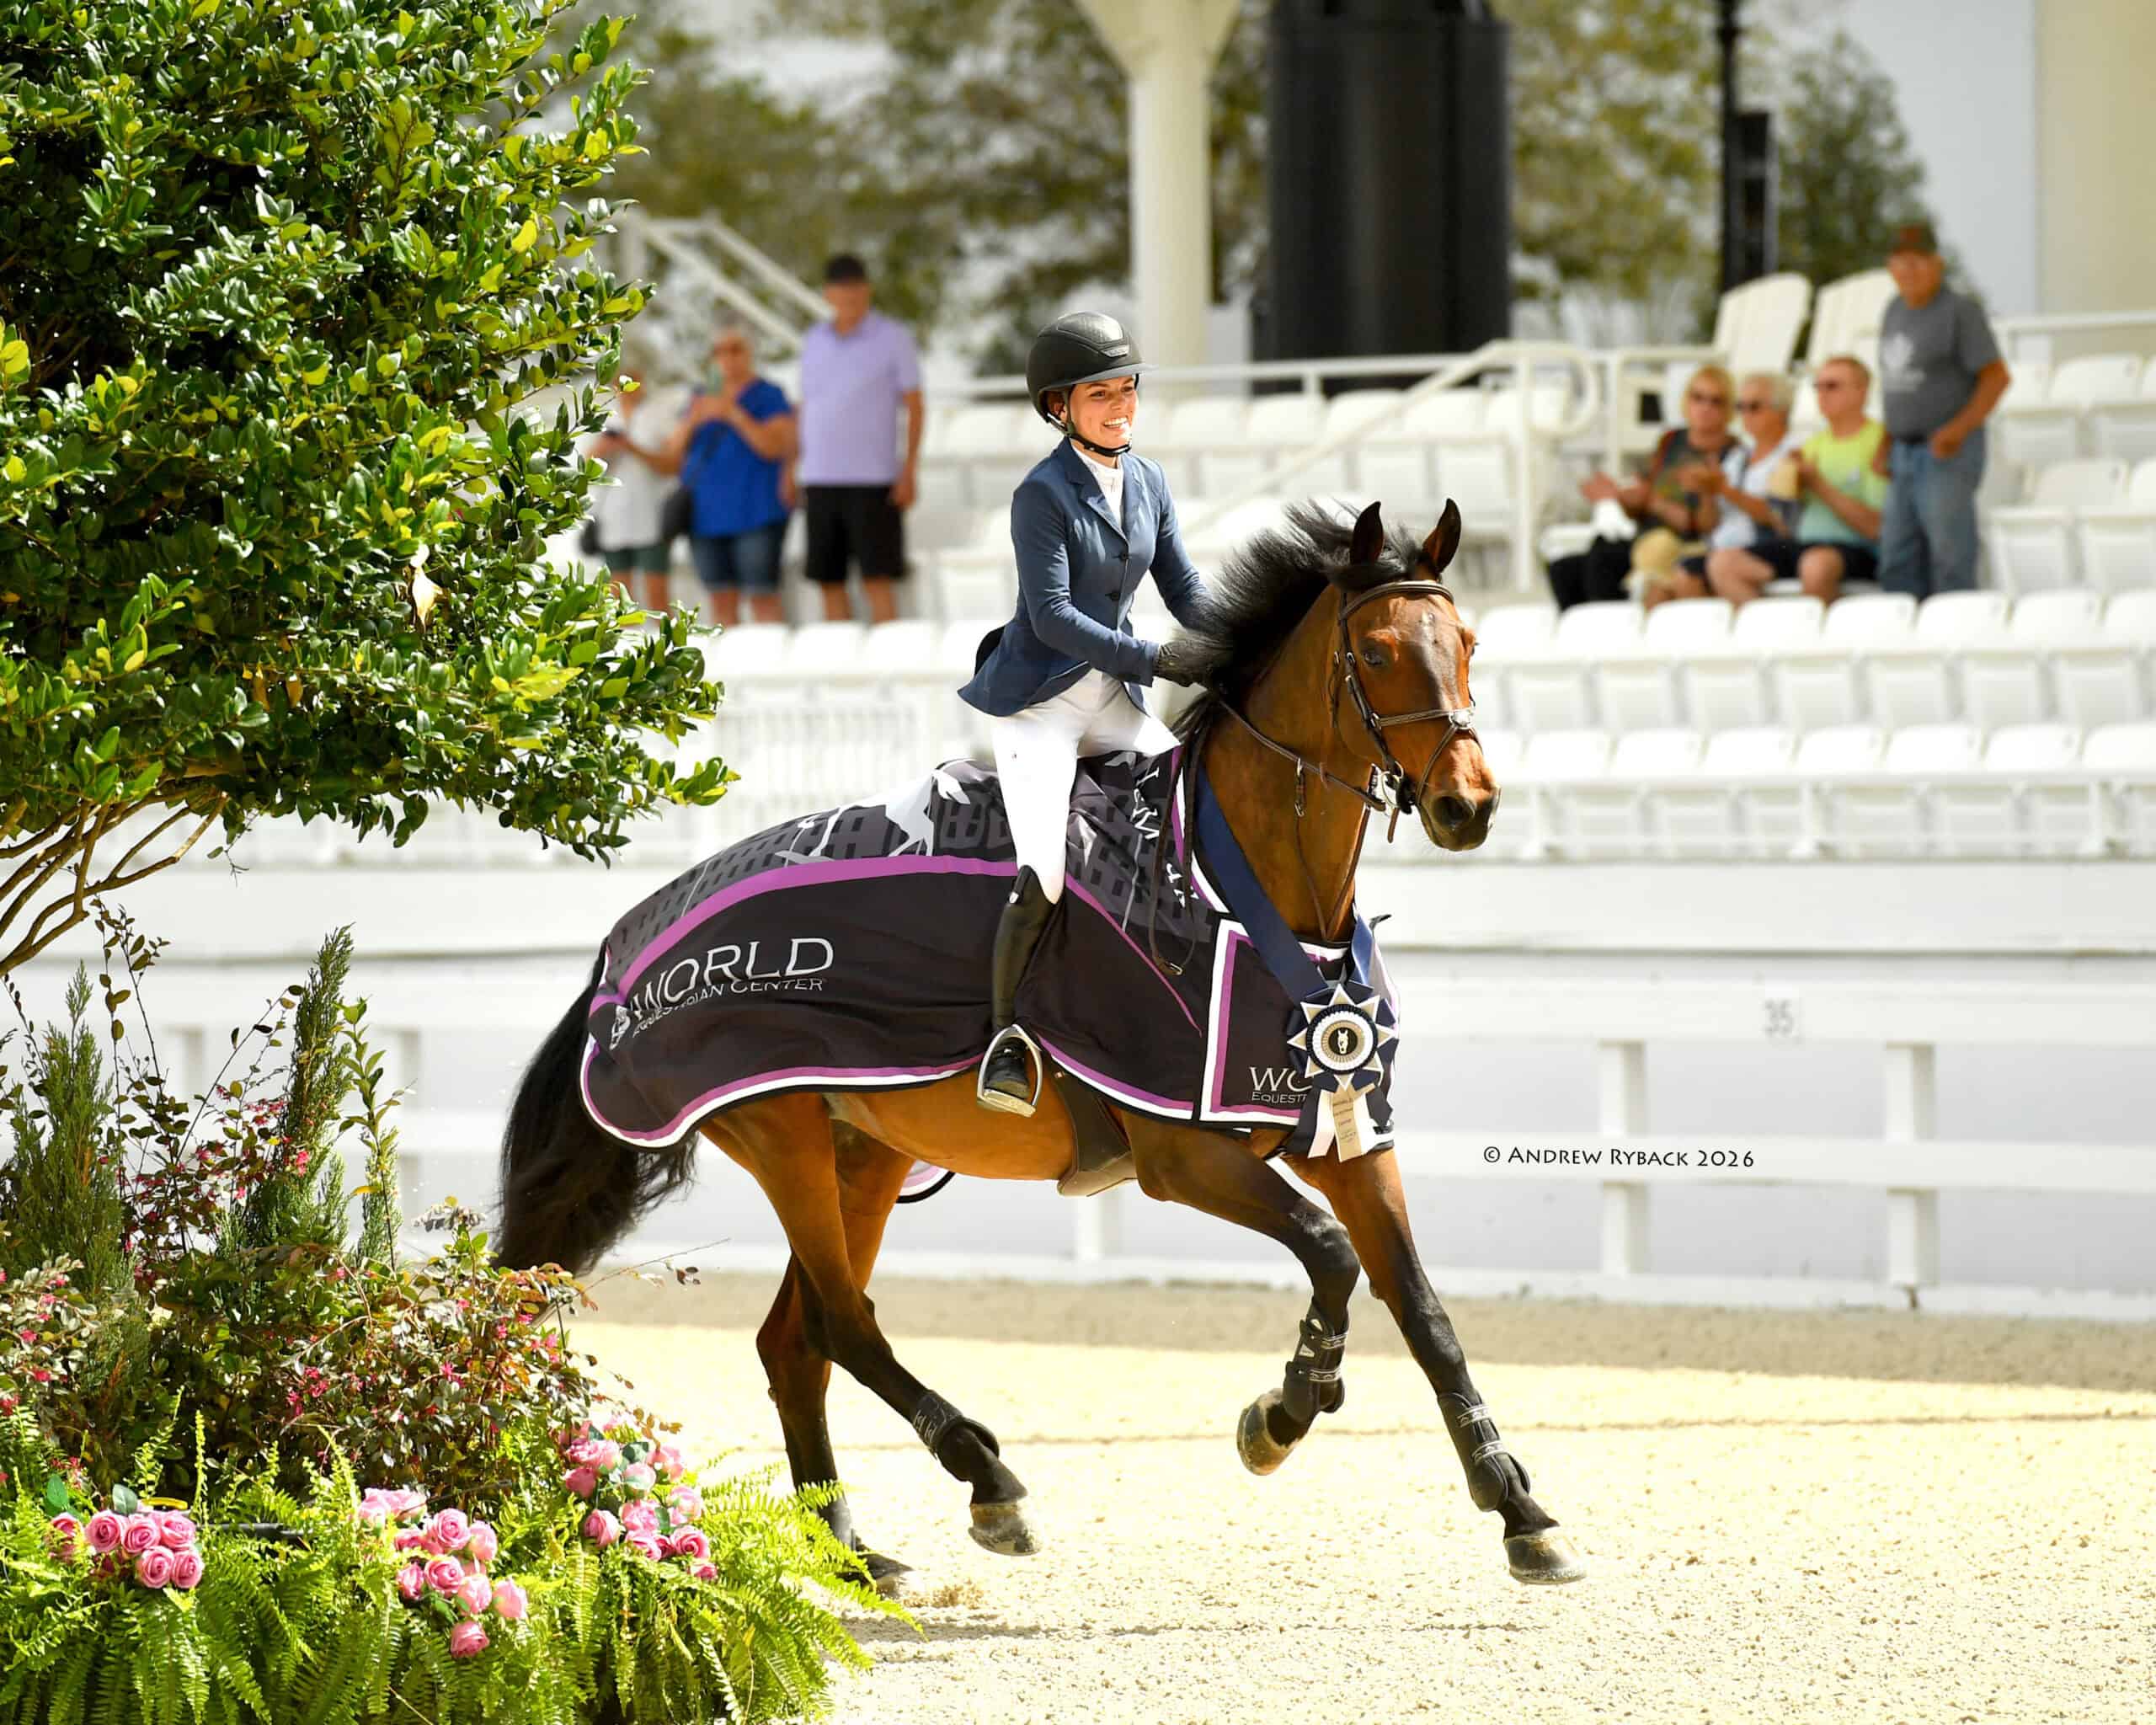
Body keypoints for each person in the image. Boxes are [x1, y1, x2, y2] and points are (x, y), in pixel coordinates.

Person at [956, 312, 1209, 1117]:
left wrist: (1245, 637)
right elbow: (1055, 616)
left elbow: (1185, 589)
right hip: (1040, 706)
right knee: (1049, 872)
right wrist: (1156, 659)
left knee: (1195, 807)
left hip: (1110, 699)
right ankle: (1005, 1042)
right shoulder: (1041, 493)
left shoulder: (1150, 480)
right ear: (1059, 408)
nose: (1120, 404)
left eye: (1127, 387)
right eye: (1101, 393)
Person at [1874, 222, 2010, 598]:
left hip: (1945, 451)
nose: (1909, 270)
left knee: (1949, 554)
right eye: (1900, 261)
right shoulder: (1893, 310)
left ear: (1937, 264)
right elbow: (1894, 381)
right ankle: (1908, 643)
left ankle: (1957, 636)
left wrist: (1959, 429)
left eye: (1919, 260)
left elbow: (1996, 378)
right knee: (1896, 555)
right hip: (1902, 449)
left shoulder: (1959, 312)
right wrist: (1886, 440)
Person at [787, 254, 924, 624]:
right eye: (841, 286)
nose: (849, 294)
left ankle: (892, 671)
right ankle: (841, 670)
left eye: (855, 285)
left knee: (877, 579)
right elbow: (805, 407)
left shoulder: (894, 338)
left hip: (874, 478)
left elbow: (914, 405)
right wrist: (790, 467)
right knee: (828, 581)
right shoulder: (813, 340)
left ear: (867, 289)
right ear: (828, 293)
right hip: (819, 478)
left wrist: (909, 470)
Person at [1546, 366, 1736, 609]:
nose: (1705, 408)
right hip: (1646, 536)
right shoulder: (1671, 442)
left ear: (1728, 410)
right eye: (1697, 398)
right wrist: (1619, 497)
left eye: (1716, 402)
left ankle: (1615, 638)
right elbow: (1644, 500)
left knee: (1604, 562)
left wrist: (1651, 502)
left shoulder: (1730, 454)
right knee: (1564, 569)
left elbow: (1700, 525)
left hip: (1679, 545)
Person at [657, 326, 795, 627]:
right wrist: (694, 418)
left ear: (749, 353)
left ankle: (769, 667)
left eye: (736, 349)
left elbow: (774, 447)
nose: (727, 357)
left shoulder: (769, 395)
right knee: (720, 600)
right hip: (705, 518)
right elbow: (673, 452)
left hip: (756, 512)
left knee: (762, 597)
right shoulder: (699, 397)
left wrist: (733, 414)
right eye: (720, 351)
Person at [1667, 373, 1805, 608]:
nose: (1745, 415)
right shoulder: (1738, 456)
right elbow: (1709, 524)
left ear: (1781, 411)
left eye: (1754, 407)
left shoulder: (1793, 452)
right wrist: (1707, 492)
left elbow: (1779, 517)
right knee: (1680, 577)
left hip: (1769, 547)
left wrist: (1723, 489)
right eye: (1741, 407)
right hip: (1725, 549)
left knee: (1703, 569)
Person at [584, 354, 674, 611]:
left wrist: (632, 448)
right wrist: (603, 449)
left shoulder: (656, 418)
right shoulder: (604, 420)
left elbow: (670, 465)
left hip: (651, 519)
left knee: (657, 597)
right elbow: (586, 467)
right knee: (618, 599)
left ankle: (664, 647)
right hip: (614, 522)